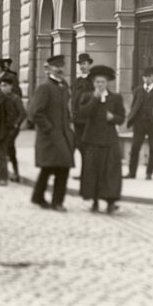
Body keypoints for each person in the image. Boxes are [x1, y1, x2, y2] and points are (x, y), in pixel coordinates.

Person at [75, 65, 125, 214]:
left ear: (107, 83)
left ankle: (110, 202)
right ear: (93, 83)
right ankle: (95, 201)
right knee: (93, 171)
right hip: (92, 139)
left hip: (109, 140)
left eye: (102, 82)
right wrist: (95, 99)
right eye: (97, 82)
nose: (100, 85)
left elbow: (121, 117)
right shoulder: (88, 97)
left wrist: (113, 118)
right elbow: (83, 114)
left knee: (110, 171)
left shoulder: (116, 98)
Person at [29, 54, 75, 211]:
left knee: (53, 167)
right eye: (57, 67)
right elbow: (35, 112)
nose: (60, 69)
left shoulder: (63, 86)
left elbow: (65, 110)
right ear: (50, 69)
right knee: (57, 168)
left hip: (63, 135)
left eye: (62, 66)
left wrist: (69, 126)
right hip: (49, 137)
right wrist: (49, 128)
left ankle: (38, 197)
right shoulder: (45, 87)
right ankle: (56, 202)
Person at [125, 67, 153, 180]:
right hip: (139, 123)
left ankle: (149, 173)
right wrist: (131, 117)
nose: (147, 79)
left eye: (149, 76)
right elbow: (134, 106)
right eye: (145, 76)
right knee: (135, 148)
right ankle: (131, 172)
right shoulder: (138, 90)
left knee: (152, 149)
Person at [71, 53, 94, 178]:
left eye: (84, 64)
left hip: (89, 120)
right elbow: (73, 100)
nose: (82, 66)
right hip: (77, 120)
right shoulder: (77, 81)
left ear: (90, 64)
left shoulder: (93, 80)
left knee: (87, 147)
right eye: (80, 64)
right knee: (80, 146)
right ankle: (85, 173)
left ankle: (86, 174)